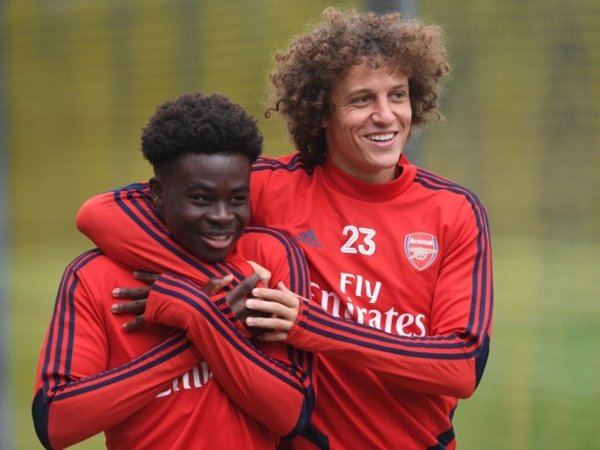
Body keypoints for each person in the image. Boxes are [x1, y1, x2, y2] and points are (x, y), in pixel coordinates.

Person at [76, 7, 494, 450]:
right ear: (322, 113)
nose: (386, 116)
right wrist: (205, 294)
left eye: (398, 95)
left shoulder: (454, 210)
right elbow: (100, 214)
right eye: (361, 100)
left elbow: (459, 367)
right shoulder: (271, 187)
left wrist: (310, 323)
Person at [32, 92, 314, 450]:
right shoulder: (94, 276)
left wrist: (200, 317)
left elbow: (291, 414)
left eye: (238, 199)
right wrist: (204, 323)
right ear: (158, 194)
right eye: (201, 198)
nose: (223, 217)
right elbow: (56, 422)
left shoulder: (270, 258)